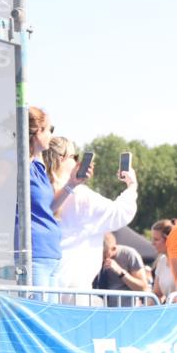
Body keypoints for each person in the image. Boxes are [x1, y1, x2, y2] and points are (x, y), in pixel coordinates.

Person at [44, 137, 139, 300]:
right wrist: (132, 184)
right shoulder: (82, 196)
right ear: (62, 159)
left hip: (47, 280)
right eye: (75, 157)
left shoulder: (41, 189)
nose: (78, 162)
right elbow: (120, 213)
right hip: (75, 287)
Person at [21, 107, 87, 291]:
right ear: (37, 132)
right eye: (50, 129)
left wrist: (72, 183)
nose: (52, 135)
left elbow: (47, 207)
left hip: (51, 255)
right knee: (34, 317)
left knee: (47, 316)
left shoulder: (37, 166)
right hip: (33, 255)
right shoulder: (17, 165)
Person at [92, 232, 150, 307]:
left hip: (125, 311)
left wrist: (120, 272)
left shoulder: (129, 255)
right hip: (100, 309)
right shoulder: (94, 257)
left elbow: (143, 288)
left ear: (114, 248)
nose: (101, 257)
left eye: (104, 253)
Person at [150, 219, 176, 303]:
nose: (152, 243)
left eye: (156, 239)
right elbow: (156, 294)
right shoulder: (162, 260)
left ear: (168, 240)